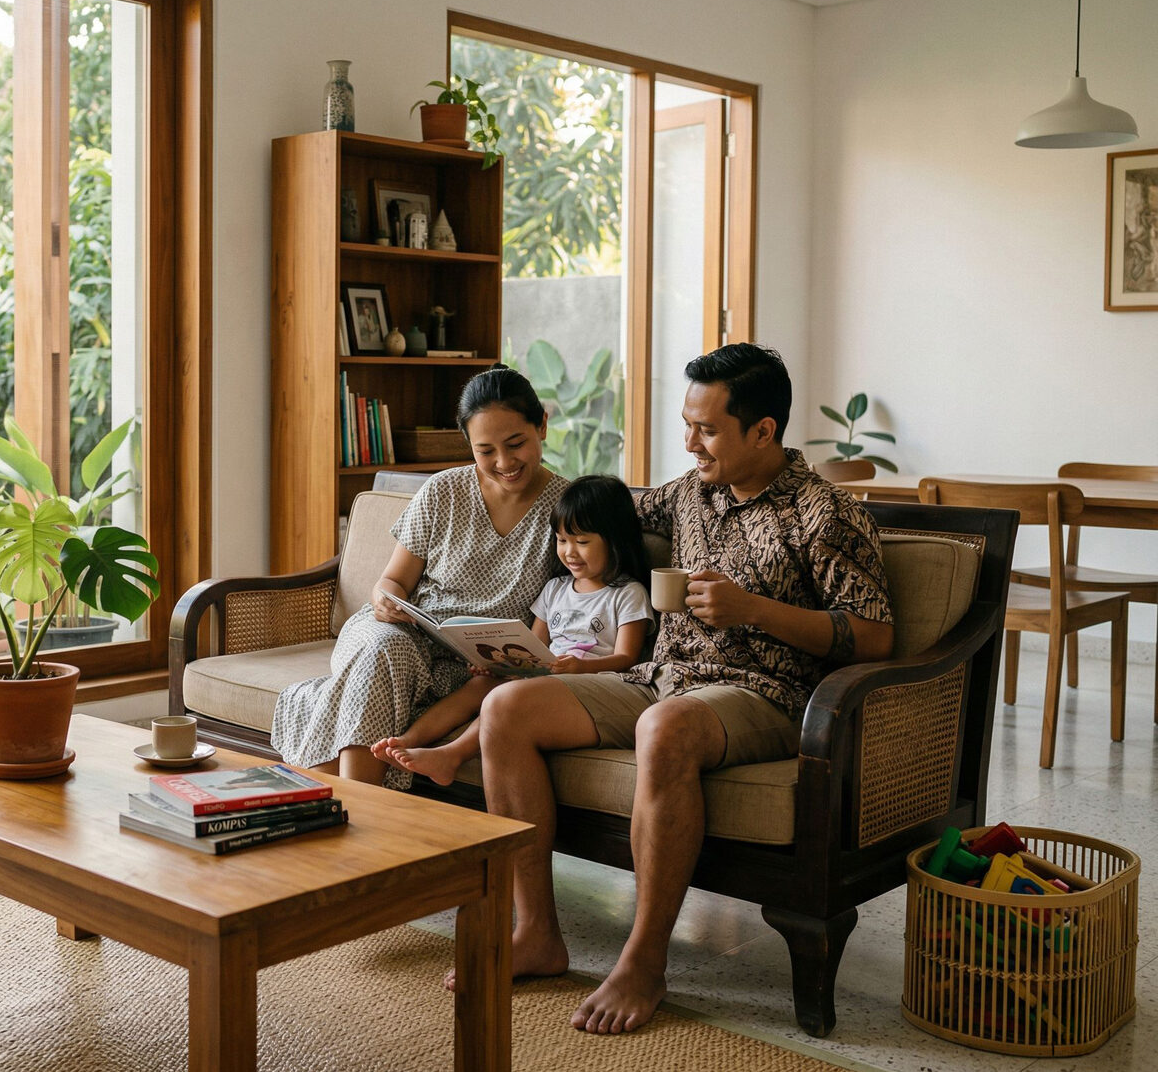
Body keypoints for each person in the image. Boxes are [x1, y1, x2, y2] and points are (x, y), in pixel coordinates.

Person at [460, 343, 894, 1035]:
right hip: (659, 676)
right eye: (686, 424)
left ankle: (644, 958)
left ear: (763, 431)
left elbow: (875, 635)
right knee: (506, 705)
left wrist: (754, 608)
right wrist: (504, 463)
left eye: (706, 429)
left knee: (663, 728)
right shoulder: (691, 491)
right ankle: (537, 931)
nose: (688, 441)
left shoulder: (825, 513)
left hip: (766, 693)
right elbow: (607, 505)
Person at [270, 366, 569, 786]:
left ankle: (327, 811)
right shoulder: (443, 491)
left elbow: (574, 599)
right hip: (401, 636)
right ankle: (361, 810)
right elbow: (392, 581)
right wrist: (385, 599)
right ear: (468, 445)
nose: (504, 463)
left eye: (516, 443)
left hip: (476, 668)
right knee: (384, 649)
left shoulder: (566, 509)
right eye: (486, 451)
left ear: (541, 426)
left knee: (372, 674)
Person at [371, 474, 654, 787]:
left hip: (590, 682)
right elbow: (533, 645)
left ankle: (451, 755)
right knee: (483, 685)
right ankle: (405, 741)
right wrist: (499, 663)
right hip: (547, 674)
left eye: (582, 542)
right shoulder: (555, 589)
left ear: (615, 539)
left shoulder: (628, 594)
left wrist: (582, 667)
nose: (569, 552)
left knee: (506, 696)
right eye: (562, 540)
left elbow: (627, 658)